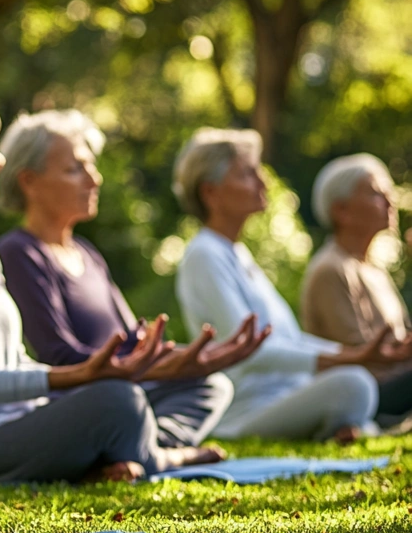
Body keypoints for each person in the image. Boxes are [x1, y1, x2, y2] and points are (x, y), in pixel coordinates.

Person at [0, 76, 231, 486]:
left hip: (15, 423)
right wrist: (82, 377)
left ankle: (119, 454)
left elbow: (13, 364)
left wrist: (115, 373)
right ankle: (162, 457)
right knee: (116, 401)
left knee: (127, 395)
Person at [0, 109, 267, 452]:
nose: (94, 179)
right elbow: (59, 356)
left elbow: (135, 339)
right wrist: (148, 367)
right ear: (29, 181)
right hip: (85, 396)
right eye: (75, 169)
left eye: (90, 167)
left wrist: (192, 358)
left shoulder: (87, 253)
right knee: (119, 397)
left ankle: (147, 449)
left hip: (124, 385)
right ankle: (146, 449)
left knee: (213, 384)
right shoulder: (20, 252)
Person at [173, 128, 412, 440]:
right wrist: (352, 357)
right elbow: (248, 352)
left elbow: (289, 339)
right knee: (355, 383)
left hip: (285, 394)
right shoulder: (204, 255)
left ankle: (350, 428)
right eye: (247, 174)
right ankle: (347, 427)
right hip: (245, 410)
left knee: (354, 379)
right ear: (210, 192)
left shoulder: (237, 253)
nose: (263, 182)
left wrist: (358, 353)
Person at [302, 153, 412, 423]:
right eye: (376, 193)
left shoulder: (374, 269)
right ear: (342, 210)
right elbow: (362, 357)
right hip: (363, 393)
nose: (390, 201)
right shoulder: (331, 270)